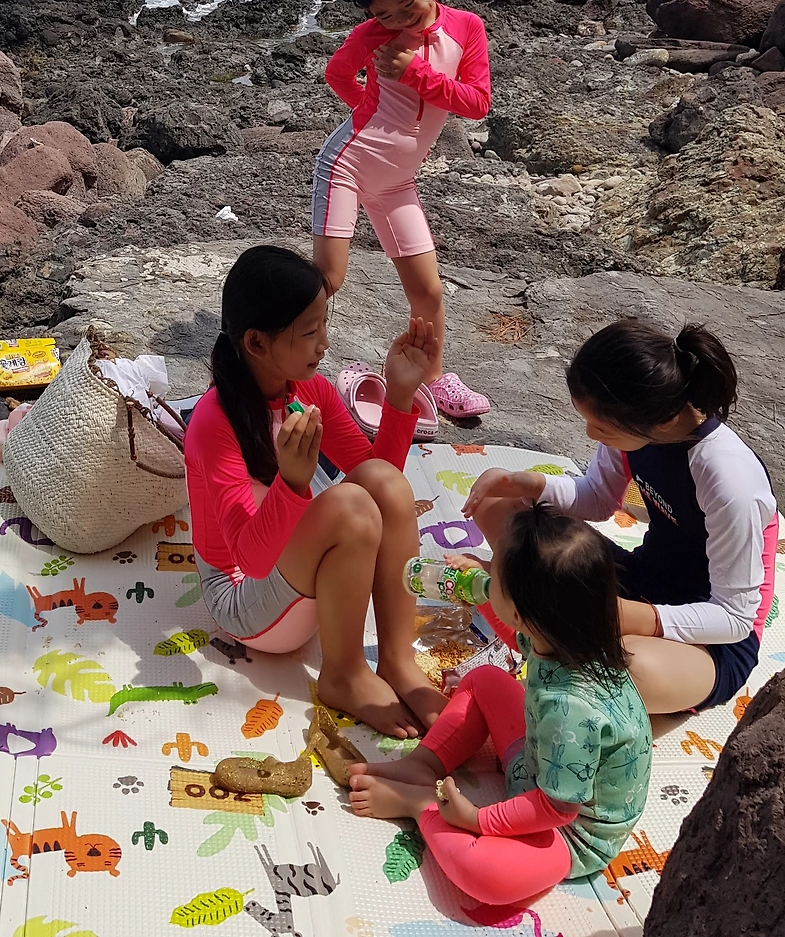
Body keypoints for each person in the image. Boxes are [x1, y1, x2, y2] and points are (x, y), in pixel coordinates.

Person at [183, 243, 443, 737]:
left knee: (383, 486)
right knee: (348, 506)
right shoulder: (213, 423)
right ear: (257, 343)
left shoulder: (310, 390)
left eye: (325, 324)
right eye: (309, 332)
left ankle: (396, 659)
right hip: (242, 599)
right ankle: (343, 675)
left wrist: (400, 393)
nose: (324, 344)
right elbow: (250, 561)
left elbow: (380, 480)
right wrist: (292, 483)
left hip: (294, 574)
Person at [350, 503, 651, 919]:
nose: (487, 574)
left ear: (523, 611)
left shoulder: (571, 709)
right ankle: (423, 766)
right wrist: (483, 593)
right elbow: (516, 636)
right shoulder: (569, 633)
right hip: (540, 762)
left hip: (571, 831)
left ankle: (420, 804)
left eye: (497, 576)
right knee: (486, 680)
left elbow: (556, 809)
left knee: (489, 877)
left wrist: (476, 819)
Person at [463, 320, 778, 714]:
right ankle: (548, 626)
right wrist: (529, 484)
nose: (590, 434)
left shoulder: (727, 477)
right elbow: (597, 498)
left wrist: (616, 615)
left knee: (628, 669)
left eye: (600, 426)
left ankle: (536, 622)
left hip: (710, 636)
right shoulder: (638, 431)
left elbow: (733, 618)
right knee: (497, 504)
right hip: (641, 578)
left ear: (653, 419)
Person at [312, 0, 491, 420]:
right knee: (328, 279)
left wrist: (414, 72)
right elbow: (337, 74)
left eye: (406, 5)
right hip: (348, 165)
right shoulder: (371, 36)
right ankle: (278, 364)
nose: (397, 20)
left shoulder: (467, 27)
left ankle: (433, 381)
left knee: (428, 292)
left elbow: (477, 103)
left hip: (398, 183)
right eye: (383, 14)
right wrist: (368, 109)